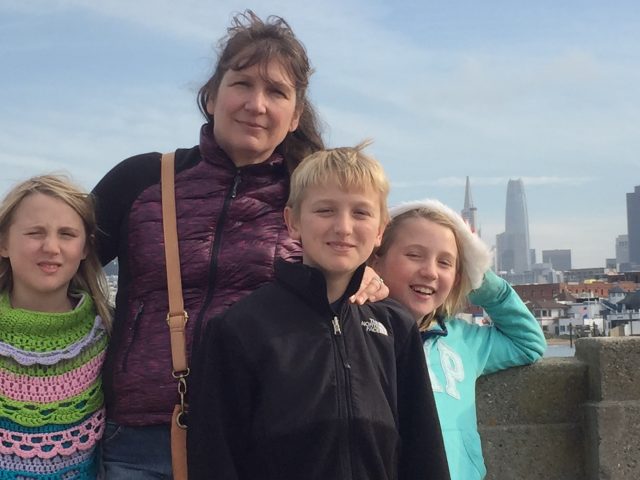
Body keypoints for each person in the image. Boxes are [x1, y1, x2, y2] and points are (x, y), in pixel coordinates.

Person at [92, 11, 387, 478]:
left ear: (295, 116)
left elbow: (377, 255)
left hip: (268, 435)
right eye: (242, 83)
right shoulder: (144, 180)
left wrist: (368, 274)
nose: (256, 104)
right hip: (143, 437)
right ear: (211, 96)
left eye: (277, 92)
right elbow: (53, 256)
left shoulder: (313, 201)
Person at [187, 144, 451, 480]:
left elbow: (423, 450)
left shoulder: (395, 326)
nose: (343, 227)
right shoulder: (239, 329)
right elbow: (215, 459)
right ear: (293, 221)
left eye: (361, 213)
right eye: (325, 211)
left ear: (381, 229)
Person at [369, 199, 546, 480]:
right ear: (375, 259)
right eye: (414, 255)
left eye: (445, 263)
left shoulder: (464, 341)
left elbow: (528, 343)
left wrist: (479, 279)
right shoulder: (358, 333)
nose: (430, 271)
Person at [0, 175, 111, 479]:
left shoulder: (108, 337)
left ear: (85, 248)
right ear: (4, 243)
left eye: (66, 234)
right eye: (35, 232)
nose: (51, 247)